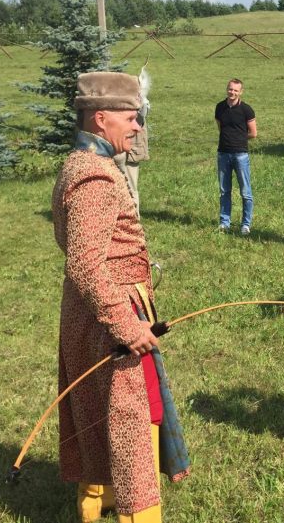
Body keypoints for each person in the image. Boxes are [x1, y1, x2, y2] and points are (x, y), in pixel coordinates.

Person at [53, 72, 189, 523]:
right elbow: (86, 265)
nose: (137, 128)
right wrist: (127, 326)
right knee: (132, 420)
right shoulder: (93, 175)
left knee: (98, 412)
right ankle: (137, 512)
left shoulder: (83, 163)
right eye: (131, 119)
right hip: (109, 319)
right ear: (101, 118)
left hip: (92, 312)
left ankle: (97, 502)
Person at [214, 78, 257, 234]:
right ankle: (224, 222)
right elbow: (220, 127)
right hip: (223, 154)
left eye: (235, 90)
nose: (232, 92)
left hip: (241, 155)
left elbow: (253, 133)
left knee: (245, 192)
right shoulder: (219, 107)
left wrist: (239, 138)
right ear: (227, 89)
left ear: (241, 92)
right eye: (230, 89)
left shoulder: (247, 110)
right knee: (224, 190)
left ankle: (246, 224)